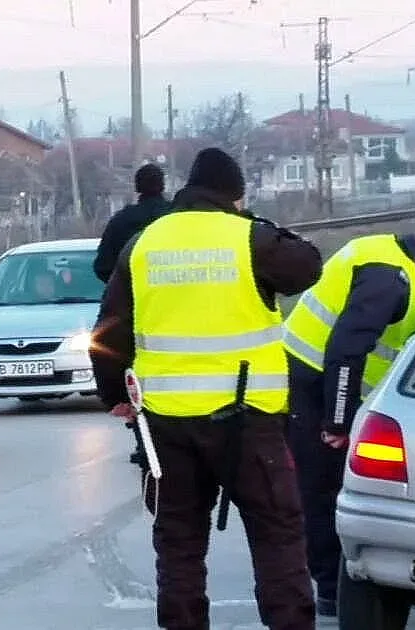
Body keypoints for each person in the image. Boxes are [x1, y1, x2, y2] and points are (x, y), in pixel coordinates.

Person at [90, 147, 323, 629]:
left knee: (178, 542)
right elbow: (308, 266)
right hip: (249, 422)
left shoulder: (143, 243)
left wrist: (113, 394)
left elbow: (109, 329)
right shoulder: (251, 238)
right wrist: (252, 221)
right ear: (235, 196)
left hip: (165, 425)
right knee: (277, 537)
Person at [281, 226, 415, 617]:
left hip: (321, 381)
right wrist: (337, 421)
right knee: (321, 489)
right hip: (311, 383)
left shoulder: (393, 263)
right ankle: (331, 591)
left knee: (333, 486)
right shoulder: (391, 278)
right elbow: (346, 348)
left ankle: (350, 581)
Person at [92, 163, 173, 470]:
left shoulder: (122, 221)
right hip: (175, 308)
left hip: (134, 311)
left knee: (136, 375)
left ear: (137, 186)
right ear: (163, 185)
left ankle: (145, 441)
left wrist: (120, 287)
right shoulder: (175, 218)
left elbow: (101, 266)